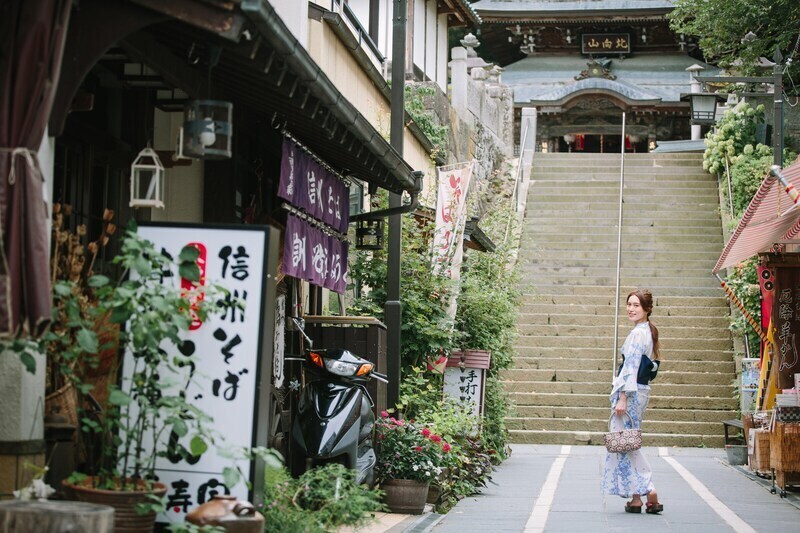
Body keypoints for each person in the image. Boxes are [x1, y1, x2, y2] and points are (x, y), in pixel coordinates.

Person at [601, 289, 664, 514]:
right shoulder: (644, 330)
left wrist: (623, 398)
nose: (631, 308)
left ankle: (650, 489)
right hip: (638, 390)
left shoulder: (639, 333)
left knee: (629, 441)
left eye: (636, 305)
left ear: (647, 309)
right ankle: (637, 498)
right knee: (627, 441)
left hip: (631, 392)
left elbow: (631, 366)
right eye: (629, 304)